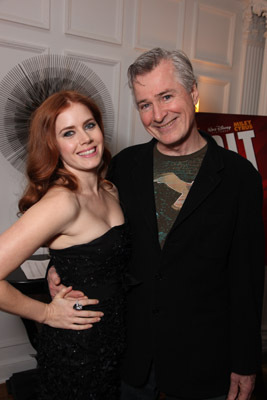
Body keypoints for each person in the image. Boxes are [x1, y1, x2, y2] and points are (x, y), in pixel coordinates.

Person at [48, 49, 265, 400]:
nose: (158, 115)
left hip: (205, 360)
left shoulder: (240, 179)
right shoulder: (122, 167)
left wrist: (245, 361)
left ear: (193, 93)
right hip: (131, 353)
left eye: (166, 96)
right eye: (145, 104)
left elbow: (247, 280)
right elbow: (92, 228)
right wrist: (58, 266)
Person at [0, 90, 131, 399]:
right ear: (53, 145)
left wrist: (56, 265)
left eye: (89, 125)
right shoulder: (62, 202)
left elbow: (92, 255)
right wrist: (46, 314)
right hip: (77, 352)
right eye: (68, 132)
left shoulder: (109, 188)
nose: (85, 138)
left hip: (113, 342)